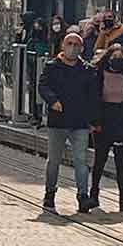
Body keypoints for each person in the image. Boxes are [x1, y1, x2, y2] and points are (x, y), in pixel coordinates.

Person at [38, 32, 99, 213]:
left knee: (81, 160)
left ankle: (82, 196)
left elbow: (92, 97)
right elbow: (43, 86)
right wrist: (53, 101)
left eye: (76, 45)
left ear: (81, 49)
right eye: (69, 43)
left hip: (79, 121)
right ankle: (50, 193)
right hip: (58, 121)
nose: (73, 48)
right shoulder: (52, 66)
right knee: (54, 160)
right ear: (63, 46)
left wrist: (93, 120)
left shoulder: (86, 70)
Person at [89, 45, 123, 212]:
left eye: (120, 59)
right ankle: (94, 194)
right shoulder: (98, 73)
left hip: (121, 122)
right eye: (114, 59)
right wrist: (94, 121)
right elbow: (94, 98)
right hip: (103, 121)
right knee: (100, 160)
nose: (117, 62)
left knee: (122, 162)